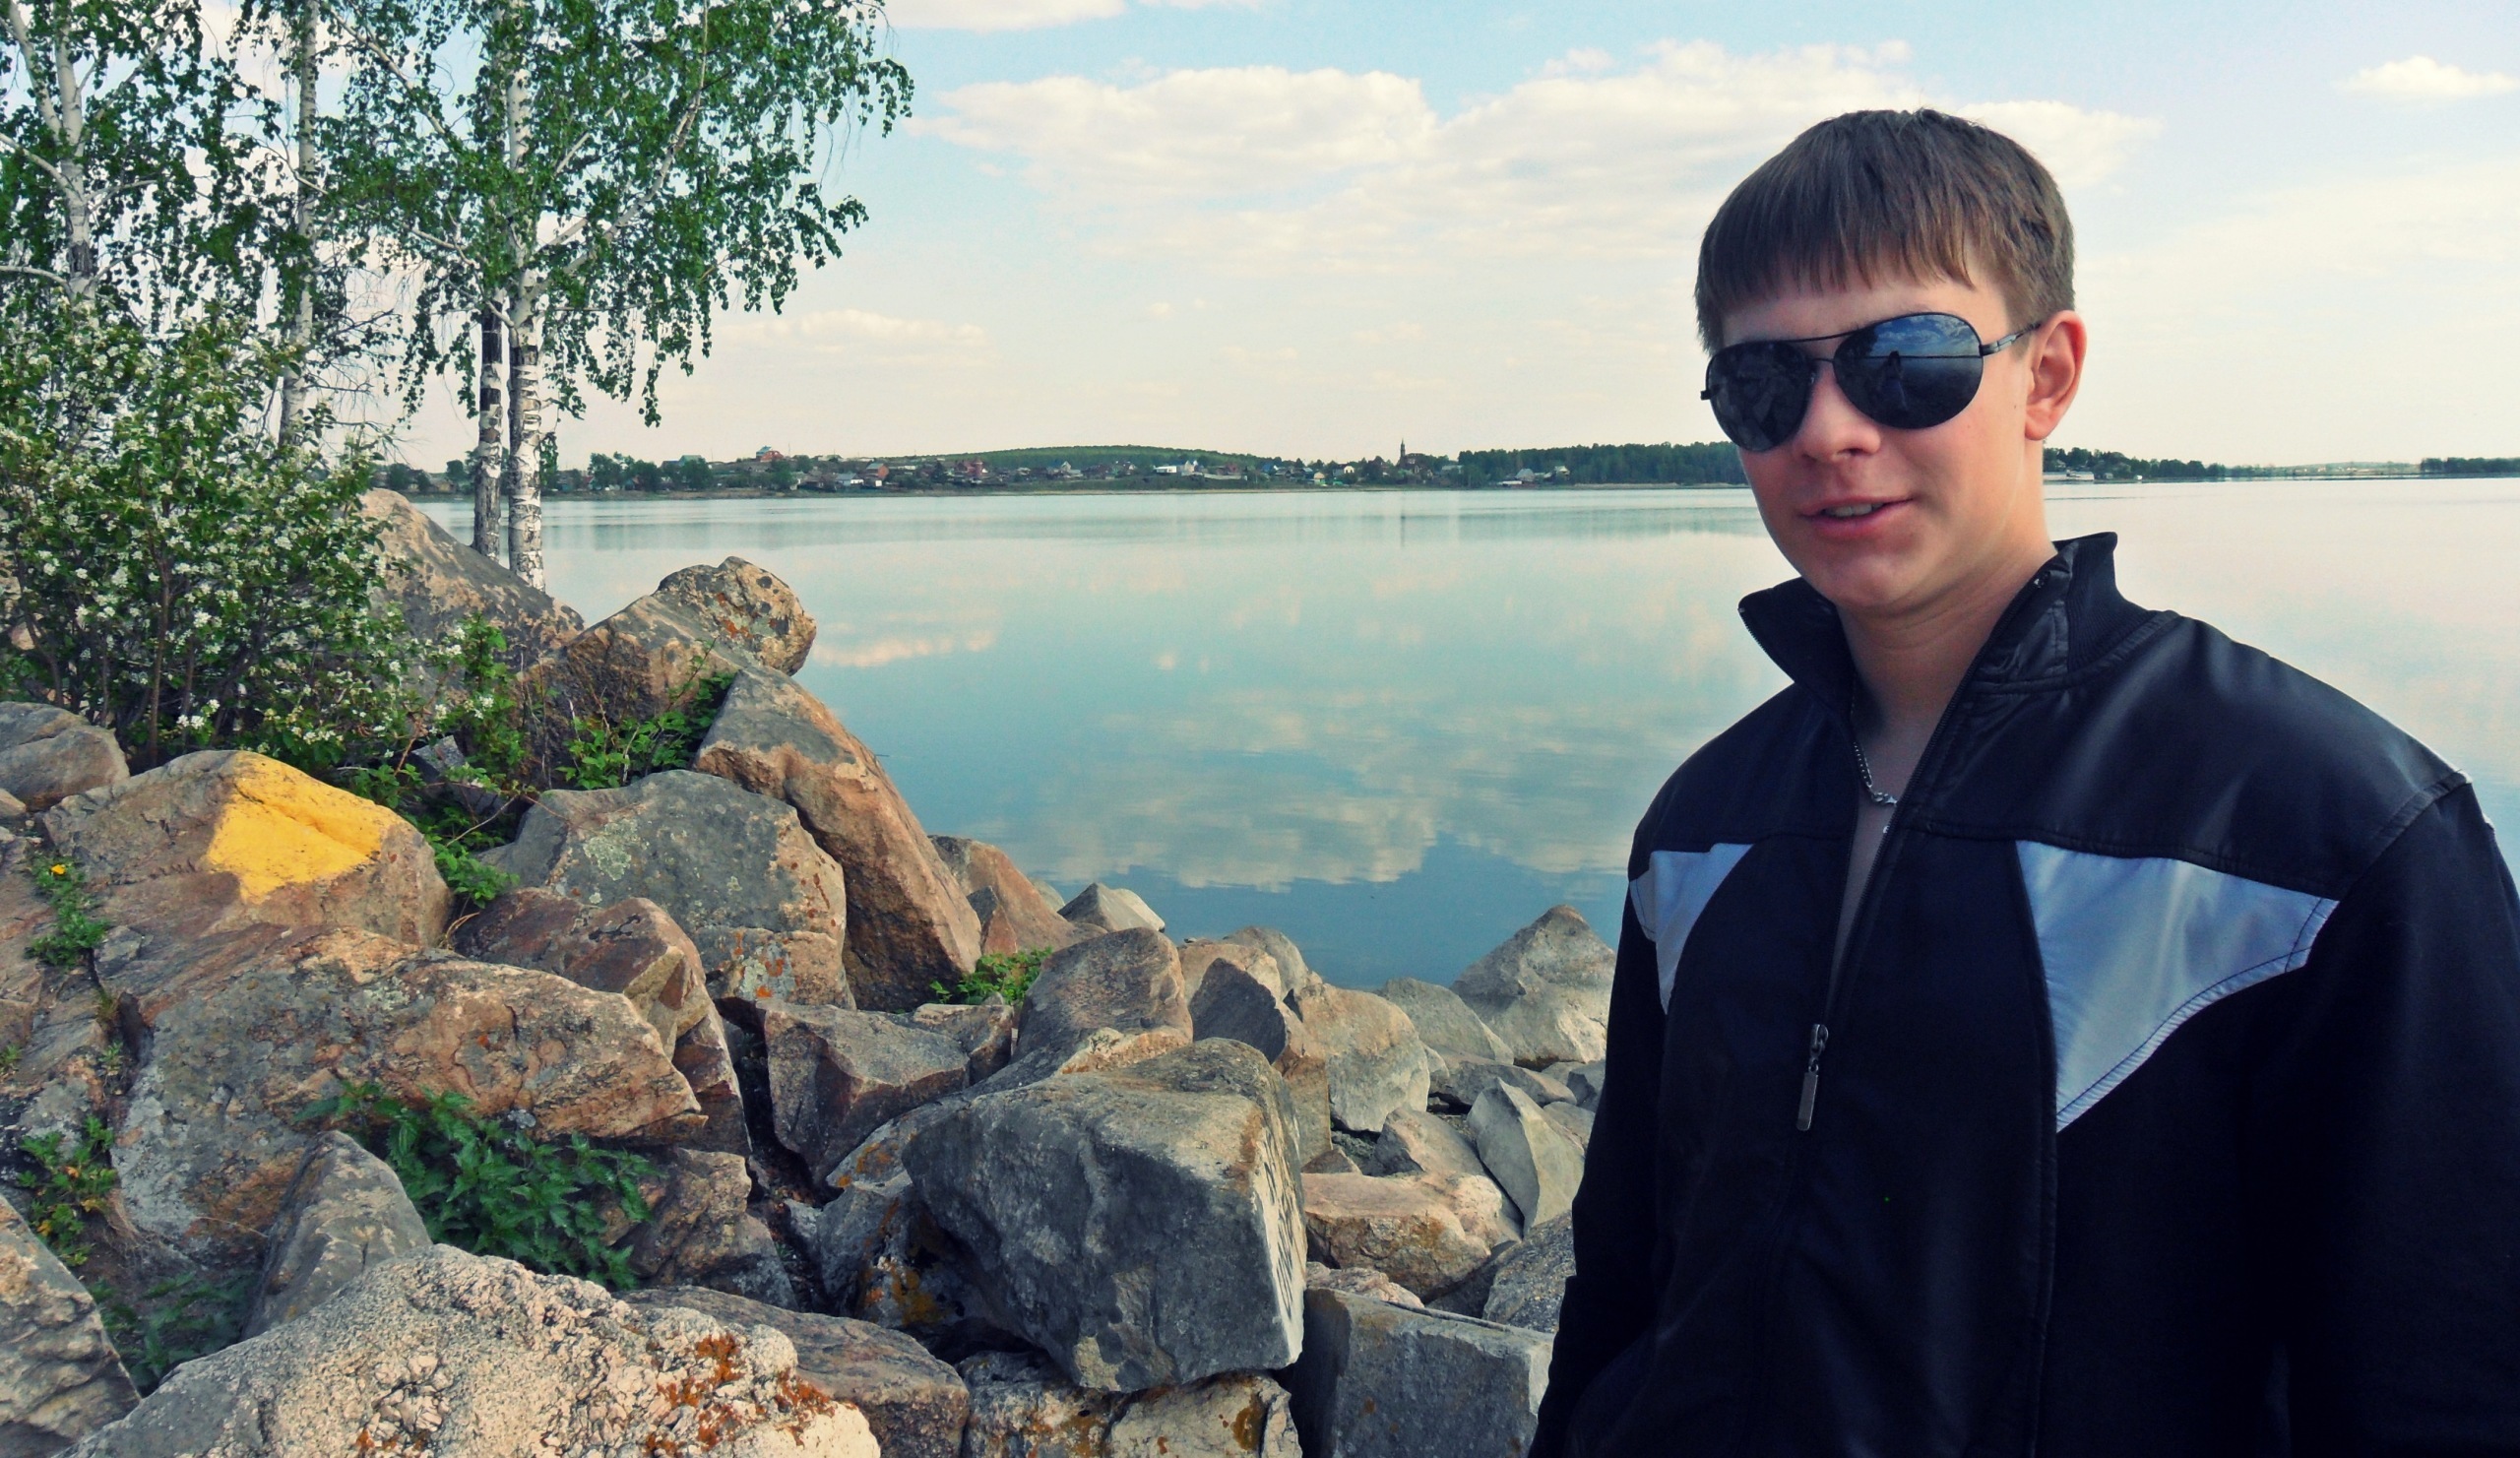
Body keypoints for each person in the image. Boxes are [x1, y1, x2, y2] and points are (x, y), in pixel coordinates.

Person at [1531, 108, 2520, 1458]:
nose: (1828, 430)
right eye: (1764, 384)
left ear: (2046, 377)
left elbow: (2448, 1381)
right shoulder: (1704, 827)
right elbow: (1625, 1281)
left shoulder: (2325, 841)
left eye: (1906, 362)